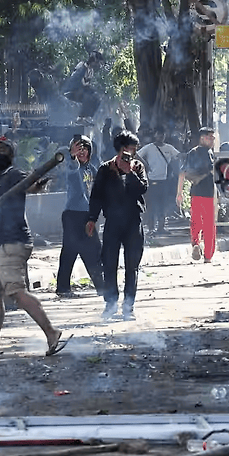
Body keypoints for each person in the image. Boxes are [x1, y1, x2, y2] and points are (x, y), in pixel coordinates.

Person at [0, 136, 66, 355]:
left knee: (17, 292)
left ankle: (51, 332)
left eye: (1, 149)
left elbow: (30, 184)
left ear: (9, 154)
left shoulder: (13, 174)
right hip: (1, 244)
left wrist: (38, 183)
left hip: (13, 242)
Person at [88, 131, 148, 320]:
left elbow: (143, 188)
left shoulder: (137, 167)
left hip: (133, 222)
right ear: (121, 149)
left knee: (132, 265)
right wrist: (92, 218)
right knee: (109, 263)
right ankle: (111, 303)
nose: (132, 153)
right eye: (129, 149)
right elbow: (96, 196)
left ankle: (128, 306)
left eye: (134, 149)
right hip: (112, 222)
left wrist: (130, 173)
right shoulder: (106, 169)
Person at [56, 135, 106, 299]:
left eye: (85, 148)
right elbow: (71, 167)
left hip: (88, 215)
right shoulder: (73, 167)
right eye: (79, 148)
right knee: (70, 251)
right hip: (73, 215)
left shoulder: (92, 169)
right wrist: (71, 156)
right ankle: (63, 288)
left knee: (94, 251)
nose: (82, 152)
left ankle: (102, 287)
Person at [178, 127, 218, 263]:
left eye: (213, 137)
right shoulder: (209, 153)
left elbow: (182, 172)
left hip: (195, 192)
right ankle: (208, 256)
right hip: (209, 193)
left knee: (195, 221)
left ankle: (195, 243)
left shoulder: (191, 152)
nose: (213, 140)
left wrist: (179, 193)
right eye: (210, 137)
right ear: (202, 138)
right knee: (209, 224)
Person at [138, 127, 179, 235]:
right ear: (155, 135)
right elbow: (137, 155)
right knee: (151, 205)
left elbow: (178, 155)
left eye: (162, 134)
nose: (161, 136)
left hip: (164, 181)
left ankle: (161, 228)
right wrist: (145, 164)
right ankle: (151, 228)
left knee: (163, 205)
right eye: (159, 134)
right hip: (151, 181)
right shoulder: (149, 148)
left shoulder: (169, 148)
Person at [61, 51, 105, 124]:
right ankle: (80, 117)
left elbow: (86, 84)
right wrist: (85, 66)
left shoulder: (91, 71)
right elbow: (75, 79)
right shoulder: (81, 65)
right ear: (93, 61)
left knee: (97, 98)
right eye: (97, 62)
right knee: (88, 96)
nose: (98, 65)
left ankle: (87, 117)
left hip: (81, 92)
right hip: (72, 91)